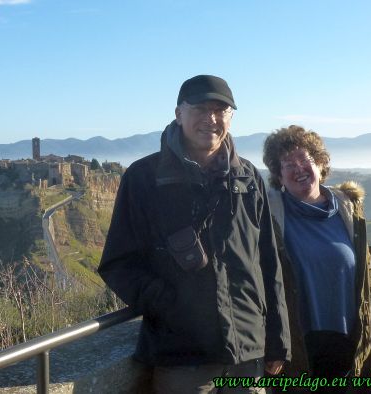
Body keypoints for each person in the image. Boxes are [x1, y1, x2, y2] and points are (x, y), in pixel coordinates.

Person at [98, 75, 290, 393]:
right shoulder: (144, 178)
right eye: (200, 108)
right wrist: (170, 305)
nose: (210, 119)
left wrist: (278, 341)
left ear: (231, 117)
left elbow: (268, 261)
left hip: (248, 351)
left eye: (221, 110)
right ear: (179, 113)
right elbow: (118, 263)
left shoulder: (248, 176)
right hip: (182, 355)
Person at [262, 125, 371, 391]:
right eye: (288, 164)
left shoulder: (348, 210)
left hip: (350, 342)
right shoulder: (267, 214)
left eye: (306, 160)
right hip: (298, 346)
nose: (299, 169)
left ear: (320, 165)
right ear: (278, 174)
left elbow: (365, 275)